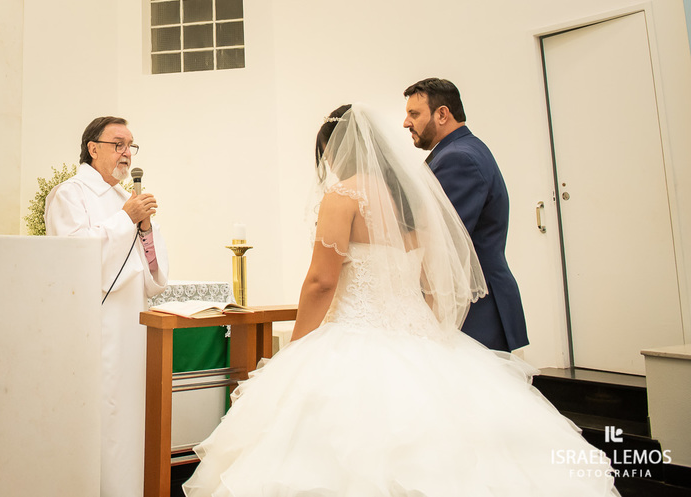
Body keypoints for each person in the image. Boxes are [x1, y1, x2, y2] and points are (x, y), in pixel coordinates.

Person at [184, 104, 618, 496]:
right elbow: (433, 283)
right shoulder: (416, 198)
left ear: (336, 151)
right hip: (419, 335)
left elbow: (321, 282)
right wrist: (426, 330)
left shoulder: (343, 196)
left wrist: (295, 349)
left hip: (354, 334)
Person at [44, 116, 169, 497]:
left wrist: (145, 230)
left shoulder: (123, 199)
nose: (127, 153)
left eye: (131, 145)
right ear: (92, 148)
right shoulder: (70, 194)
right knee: (105, 419)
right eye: (118, 144)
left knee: (130, 422)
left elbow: (154, 276)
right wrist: (126, 220)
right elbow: (75, 261)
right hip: (99, 329)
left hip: (134, 324)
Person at [403, 77, 528, 352]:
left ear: (442, 114)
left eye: (414, 114)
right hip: (477, 302)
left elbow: (442, 239)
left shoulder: (459, 158)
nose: (406, 123)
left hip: (477, 308)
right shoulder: (461, 150)